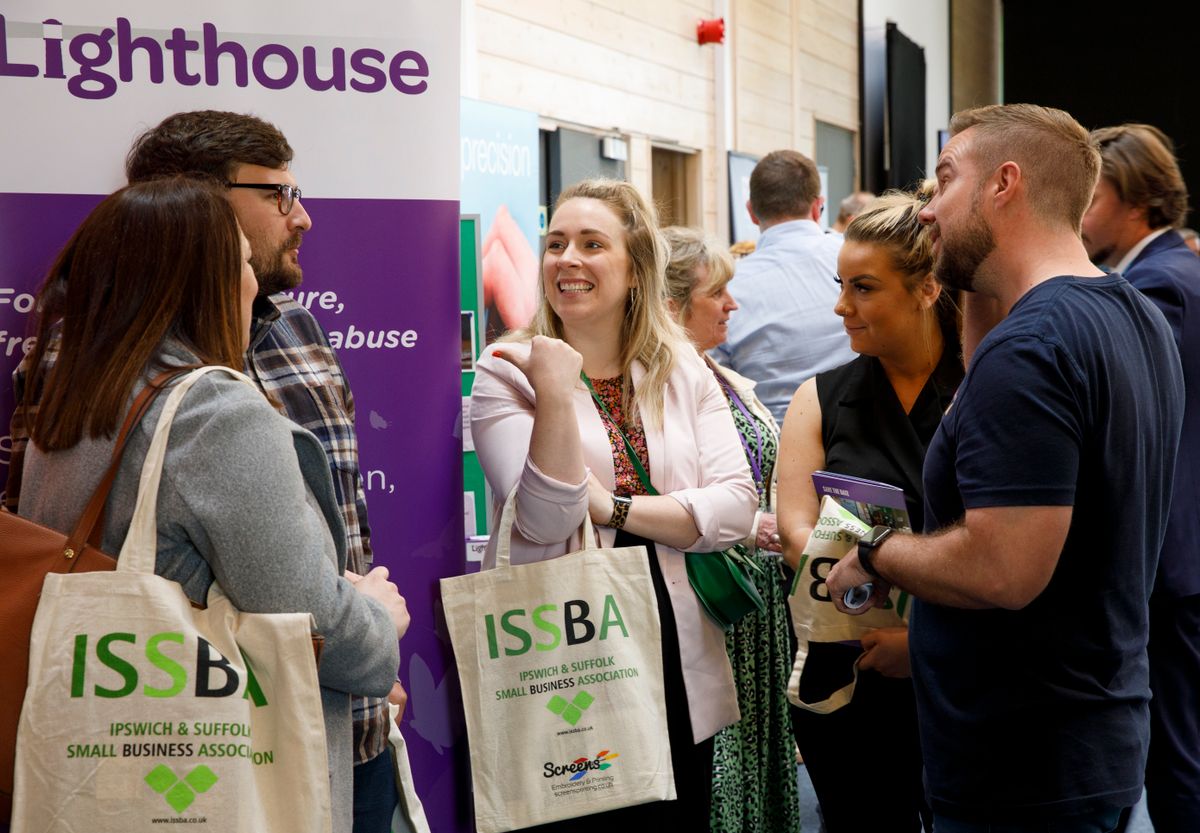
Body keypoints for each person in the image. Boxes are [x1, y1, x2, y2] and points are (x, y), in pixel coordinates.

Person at [5, 110, 400, 833]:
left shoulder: (96, 365)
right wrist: (376, 627)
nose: (301, 216)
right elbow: (300, 607)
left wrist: (362, 667)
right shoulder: (209, 402)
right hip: (229, 743)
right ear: (198, 217)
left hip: (173, 734)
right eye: (278, 195)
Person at [825, 103, 1185, 832]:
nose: (927, 211)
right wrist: (975, 287)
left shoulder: (1033, 349)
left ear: (1004, 184)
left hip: (1023, 771)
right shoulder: (1130, 312)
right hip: (1091, 740)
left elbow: (1002, 569)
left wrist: (876, 551)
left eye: (946, 180)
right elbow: (988, 395)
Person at [470, 179, 758, 829]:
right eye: (555, 243)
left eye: (592, 244)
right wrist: (552, 385)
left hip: (675, 656)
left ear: (635, 271)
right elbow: (545, 514)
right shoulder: (508, 371)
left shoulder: (681, 369)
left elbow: (737, 507)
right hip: (566, 652)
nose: (567, 259)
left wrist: (612, 508)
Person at [776, 185, 961, 833]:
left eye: (863, 287)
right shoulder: (821, 398)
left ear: (927, 288)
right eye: (841, 284)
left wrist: (922, 640)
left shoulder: (985, 391)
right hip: (848, 666)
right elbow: (795, 529)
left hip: (961, 676)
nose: (840, 305)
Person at [662, 226, 801, 833]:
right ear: (671, 306)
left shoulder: (712, 370)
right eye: (717, 292)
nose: (732, 304)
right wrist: (746, 527)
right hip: (713, 599)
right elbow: (673, 496)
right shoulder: (660, 380)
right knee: (720, 763)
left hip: (751, 603)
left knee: (755, 756)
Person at [1083, 123, 1200, 833]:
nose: (1080, 213)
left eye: (1092, 197)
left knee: (1176, 757)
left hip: (1170, 556)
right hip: (1177, 549)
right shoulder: (1170, 271)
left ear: (1138, 200)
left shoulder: (1160, 284)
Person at [712, 150, 855, 424]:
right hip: (865, 439)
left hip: (772, 450)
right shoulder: (856, 259)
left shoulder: (725, 289)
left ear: (751, 212)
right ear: (818, 206)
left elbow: (720, 387)